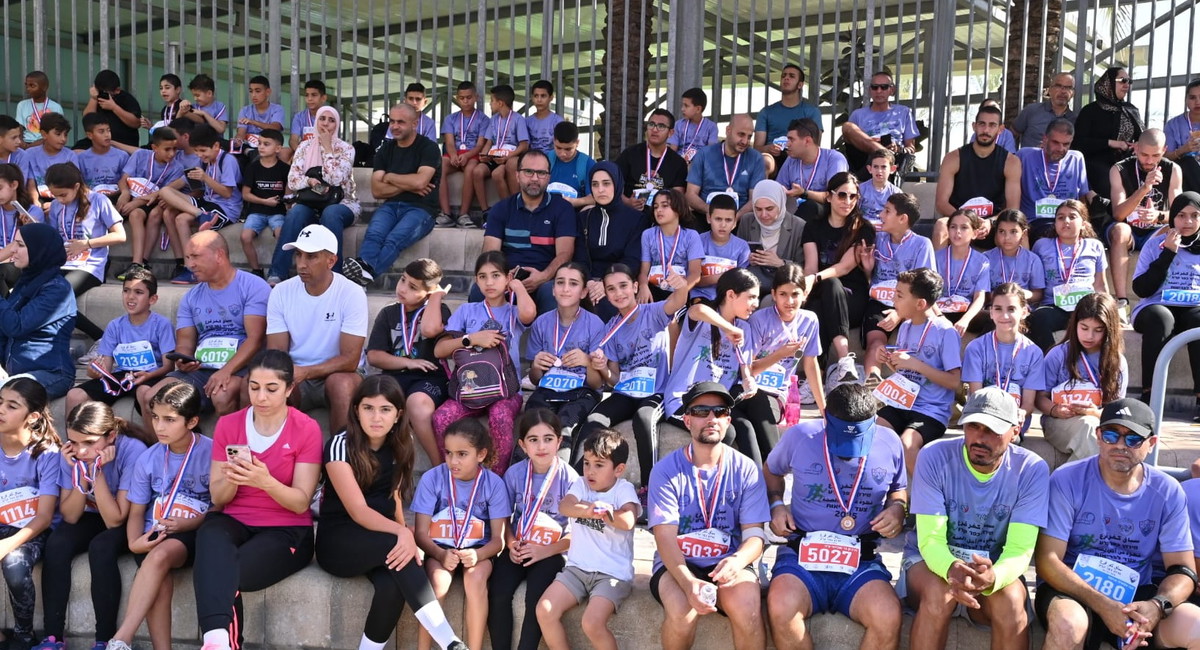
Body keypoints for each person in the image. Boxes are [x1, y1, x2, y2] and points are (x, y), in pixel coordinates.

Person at [1035, 398, 1200, 650]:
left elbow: (1183, 570)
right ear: (1098, 436)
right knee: (1069, 624)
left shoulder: (1167, 490)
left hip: (1139, 594)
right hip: (1072, 589)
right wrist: (1104, 605)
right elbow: (1048, 560)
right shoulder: (1067, 479)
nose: (1120, 445)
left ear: (1151, 444)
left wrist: (1157, 606)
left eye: (1133, 439)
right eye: (1111, 435)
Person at [317, 375, 468, 650]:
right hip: (339, 542)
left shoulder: (401, 442)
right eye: (368, 408)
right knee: (399, 547)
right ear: (356, 411)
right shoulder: (339, 445)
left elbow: (395, 496)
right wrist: (402, 533)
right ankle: (451, 642)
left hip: (380, 537)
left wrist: (402, 529)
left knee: (392, 585)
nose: (377, 417)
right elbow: (358, 511)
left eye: (385, 409)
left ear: (398, 414)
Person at [193, 350, 323, 650]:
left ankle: (217, 642)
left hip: (287, 528)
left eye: (271, 389)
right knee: (210, 533)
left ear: (289, 389)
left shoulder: (306, 428)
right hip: (235, 518)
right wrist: (233, 477)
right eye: (254, 387)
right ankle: (218, 642)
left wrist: (264, 481)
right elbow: (218, 498)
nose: (261, 397)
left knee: (224, 571)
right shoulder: (229, 425)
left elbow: (300, 502)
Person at [904, 386, 1049, 650]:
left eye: (992, 430)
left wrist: (995, 576)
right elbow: (930, 540)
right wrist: (952, 568)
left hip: (993, 565)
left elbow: (1020, 549)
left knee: (1011, 603)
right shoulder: (933, 456)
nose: (979, 438)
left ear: (1016, 430)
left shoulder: (1031, 469)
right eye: (973, 426)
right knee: (939, 594)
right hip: (929, 562)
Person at [764, 383, 907, 650]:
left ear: (874, 420)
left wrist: (898, 509)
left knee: (888, 616)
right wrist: (776, 504)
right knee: (781, 607)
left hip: (861, 559)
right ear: (825, 415)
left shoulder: (890, 441)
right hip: (801, 555)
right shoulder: (800, 436)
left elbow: (898, 490)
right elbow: (772, 470)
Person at [650, 381, 771, 650]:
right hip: (680, 562)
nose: (711, 418)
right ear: (687, 420)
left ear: (728, 420)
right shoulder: (665, 470)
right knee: (682, 613)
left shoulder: (746, 468)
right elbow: (664, 538)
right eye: (701, 411)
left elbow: (755, 536)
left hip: (730, 560)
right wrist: (687, 582)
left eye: (720, 411)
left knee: (749, 613)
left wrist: (738, 560)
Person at [103, 382, 212, 650]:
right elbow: (137, 511)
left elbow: (221, 506)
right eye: (155, 417)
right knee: (159, 577)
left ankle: (122, 637)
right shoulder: (148, 458)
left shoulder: (212, 452)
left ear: (192, 421)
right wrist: (134, 543)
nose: (159, 427)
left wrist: (190, 523)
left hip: (192, 532)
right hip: (153, 533)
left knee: (160, 556)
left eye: (169, 420)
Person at [37, 402, 149, 650]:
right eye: (74, 442)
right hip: (91, 514)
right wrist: (80, 471)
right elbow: (70, 516)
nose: (81, 450)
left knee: (102, 547)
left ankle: (104, 639)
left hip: (126, 517)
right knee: (57, 543)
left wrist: (96, 473)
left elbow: (115, 519)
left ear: (111, 436)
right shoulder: (71, 454)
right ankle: (52, 637)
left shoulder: (133, 450)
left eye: (89, 442)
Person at [578, 263, 687, 489]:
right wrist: (602, 367)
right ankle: (577, 482)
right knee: (593, 421)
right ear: (606, 294)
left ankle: (650, 487)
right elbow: (613, 379)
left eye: (623, 286)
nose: (618, 293)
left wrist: (681, 287)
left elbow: (677, 301)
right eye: (611, 289)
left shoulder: (653, 312)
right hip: (626, 392)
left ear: (635, 287)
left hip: (655, 391)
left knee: (644, 418)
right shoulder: (611, 328)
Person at [140, 231, 270, 416]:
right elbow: (185, 343)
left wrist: (226, 370)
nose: (190, 265)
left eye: (195, 256)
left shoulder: (253, 286)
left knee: (221, 395)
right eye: (187, 258)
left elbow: (255, 339)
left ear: (219, 255)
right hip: (202, 369)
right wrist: (184, 360)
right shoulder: (191, 297)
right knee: (151, 397)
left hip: (241, 367)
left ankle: (230, 435)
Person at [535, 428, 639, 650]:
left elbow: (628, 520)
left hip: (612, 574)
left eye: (599, 465)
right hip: (576, 570)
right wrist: (590, 510)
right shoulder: (581, 484)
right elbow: (565, 506)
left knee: (591, 623)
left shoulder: (624, 489)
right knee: (544, 610)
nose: (590, 471)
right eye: (586, 463)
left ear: (619, 469)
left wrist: (607, 513)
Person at [432, 251, 535, 473]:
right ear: (476, 280)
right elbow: (440, 349)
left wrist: (517, 287)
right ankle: (455, 473)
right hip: (469, 390)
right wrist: (471, 339)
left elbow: (529, 314)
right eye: (482, 276)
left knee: (500, 416)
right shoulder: (467, 311)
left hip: (505, 391)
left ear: (507, 277)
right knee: (441, 417)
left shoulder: (513, 311)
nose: (489, 282)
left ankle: (495, 479)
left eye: (496, 275)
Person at [412, 417, 510, 650]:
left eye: (462, 454)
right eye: (448, 453)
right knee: (438, 583)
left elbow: (498, 541)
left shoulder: (494, 484)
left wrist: (478, 555)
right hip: (440, 550)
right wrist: (439, 553)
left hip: (479, 552)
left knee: (475, 580)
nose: (453, 461)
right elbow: (421, 534)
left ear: (481, 454)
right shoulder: (432, 478)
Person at [488, 409, 579, 650]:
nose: (541, 446)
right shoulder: (514, 474)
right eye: (533, 439)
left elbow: (577, 534)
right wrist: (510, 543)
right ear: (522, 445)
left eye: (548, 439)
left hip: (552, 552)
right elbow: (503, 519)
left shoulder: (570, 478)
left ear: (559, 442)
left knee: (535, 597)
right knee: (497, 592)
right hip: (518, 547)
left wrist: (543, 551)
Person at [266, 224, 368, 434]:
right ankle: (280, 450)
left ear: (331, 261)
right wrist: (289, 374)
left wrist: (306, 372)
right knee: (265, 381)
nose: (302, 264)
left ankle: (339, 451)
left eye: (311, 256)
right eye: (298, 255)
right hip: (296, 372)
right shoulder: (281, 292)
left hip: (340, 373)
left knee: (341, 384)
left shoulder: (352, 293)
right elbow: (277, 353)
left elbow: (350, 360)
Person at [660, 269, 766, 462]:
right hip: (683, 402)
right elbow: (697, 310)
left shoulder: (745, 328)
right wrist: (728, 328)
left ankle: (759, 480)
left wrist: (749, 380)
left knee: (746, 427)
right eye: (751, 297)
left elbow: (745, 369)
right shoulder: (703, 317)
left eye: (757, 298)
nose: (756, 304)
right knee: (728, 432)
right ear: (731, 295)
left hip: (717, 404)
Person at [874, 268, 962, 476]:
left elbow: (954, 382)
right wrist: (888, 360)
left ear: (920, 304)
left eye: (899, 296)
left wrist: (916, 364)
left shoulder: (945, 331)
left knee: (907, 444)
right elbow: (905, 370)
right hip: (903, 403)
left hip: (931, 410)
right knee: (873, 435)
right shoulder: (905, 326)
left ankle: (928, 493)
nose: (893, 300)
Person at [342, 103, 439, 288]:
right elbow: (377, 190)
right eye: (392, 121)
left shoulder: (429, 148)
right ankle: (362, 278)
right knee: (373, 235)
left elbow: (420, 182)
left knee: (394, 239)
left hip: (422, 209)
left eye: (401, 122)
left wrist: (390, 177)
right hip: (391, 205)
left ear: (414, 123)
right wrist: (409, 184)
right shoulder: (385, 150)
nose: (394, 126)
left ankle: (361, 279)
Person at [365, 258, 451, 466]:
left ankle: (439, 467)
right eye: (402, 280)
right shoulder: (389, 313)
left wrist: (436, 297)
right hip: (394, 377)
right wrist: (408, 363)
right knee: (374, 402)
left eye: (413, 287)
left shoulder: (439, 309)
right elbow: (374, 355)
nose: (403, 288)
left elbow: (430, 329)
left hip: (429, 378)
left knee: (417, 404)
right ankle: (370, 464)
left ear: (429, 292)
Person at [0, 377, 61, 650]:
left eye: (12, 406)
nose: (1, 409)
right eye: (0, 401)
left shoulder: (47, 454)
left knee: (14, 564)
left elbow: (45, 517)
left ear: (33, 416)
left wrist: (6, 545)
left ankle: (24, 637)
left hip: (35, 530)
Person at [65, 267, 175, 414]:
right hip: (122, 376)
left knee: (144, 393)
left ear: (152, 299)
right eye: (126, 291)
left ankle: (151, 431)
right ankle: (74, 430)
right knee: (75, 395)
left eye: (138, 292)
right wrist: (95, 371)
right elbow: (106, 367)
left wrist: (148, 375)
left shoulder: (162, 324)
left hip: (151, 376)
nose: (130, 297)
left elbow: (169, 366)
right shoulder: (115, 325)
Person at [478, 150, 576, 314]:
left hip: (546, 279)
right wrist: (503, 278)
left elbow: (565, 253)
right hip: (507, 278)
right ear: (517, 175)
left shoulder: (563, 209)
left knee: (551, 292)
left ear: (549, 178)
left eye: (541, 173)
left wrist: (543, 277)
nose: (535, 178)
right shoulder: (501, 209)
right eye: (528, 172)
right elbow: (490, 253)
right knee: (478, 290)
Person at [269, 106, 359, 284]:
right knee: (296, 213)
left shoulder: (346, 149)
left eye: (331, 120)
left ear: (337, 124)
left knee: (331, 213)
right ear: (316, 121)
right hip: (311, 202)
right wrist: (309, 181)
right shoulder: (304, 147)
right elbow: (293, 180)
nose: (326, 123)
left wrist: (327, 148)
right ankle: (277, 274)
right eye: (322, 119)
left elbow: (335, 179)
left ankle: (335, 276)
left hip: (342, 203)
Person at [1036, 292, 1126, 464]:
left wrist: (1095, 413)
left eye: (1098, 330)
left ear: (1110, 330)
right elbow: (1039, 398)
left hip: (1100, 422)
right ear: (1074, 324)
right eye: (1084, 328)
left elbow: (1117, 410)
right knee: (1088, 428)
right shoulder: (1058, 354)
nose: (1089, 336)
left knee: (1091, 428)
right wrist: (1055, 410)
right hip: (1058, 421)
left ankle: (1067, 479)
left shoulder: (1117, 361)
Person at [1131, 192, 1200, 413]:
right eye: (1181, 215)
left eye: (1195, 215)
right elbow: (1142, 289)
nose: (1188, 222)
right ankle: (1149, 395)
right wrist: (1168, 253)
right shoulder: (1155, 244)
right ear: (1173, 217)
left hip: (1193, 308)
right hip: (1155, 306)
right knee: (1161, 319)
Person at [43, 162, 126, 342]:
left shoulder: (99, 200)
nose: (60, 200)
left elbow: (120, 236)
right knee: (40, 294)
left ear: (76, 186)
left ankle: (101, 339)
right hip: (63, 262)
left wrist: (85, 244)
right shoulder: (56, 206)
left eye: (63, 195)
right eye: (55, 196)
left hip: (90, 265)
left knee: (57, 297)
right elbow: (54, 238)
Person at [525, 263, 606, 444]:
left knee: (565, 426)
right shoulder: (541, 323)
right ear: (553, 289)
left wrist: (588, 362)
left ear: (583, 292)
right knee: (533, 424)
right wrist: (536, 366)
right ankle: (525, 462)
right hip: (547, 389)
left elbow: (597, 384)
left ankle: (561, 462)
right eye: (560, 282)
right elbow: (535, 379)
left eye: (573, 283)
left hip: (582, 392)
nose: (565, 289)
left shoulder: (595, 325)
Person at [861, 194, 936, 385]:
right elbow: (870, 280)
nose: (881, 215)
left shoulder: (922, 244)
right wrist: (868, 269)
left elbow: (923, 286)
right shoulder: (877, 238)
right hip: (880, 303)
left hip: (911, 305)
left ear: (903, 218)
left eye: (887, 211)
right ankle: (871, 382)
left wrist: (900, 313)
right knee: (876, 342)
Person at [802, 173, 874, 369]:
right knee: (817, 308)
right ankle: (827, 371)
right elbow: (810, 266)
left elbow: (845, 267)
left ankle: (839, 361)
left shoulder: (863, 229)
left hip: (853, 296)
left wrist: (814, 278)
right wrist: (808, 284)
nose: (848, 201)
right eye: (842, 195)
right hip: (821, 291)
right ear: (829, 196)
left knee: (830, 285)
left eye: (853, 196)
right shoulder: (813, 226)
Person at [746, 263, 824, 442]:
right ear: (773, 294)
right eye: (783, 294)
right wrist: (780, 354)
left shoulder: (810, 320)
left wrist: (823, 409)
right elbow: (749, 369)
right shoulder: (759, 320)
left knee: (765, 413)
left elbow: (811, 365)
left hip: (777, 392)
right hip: (752, 386)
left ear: (805, 294)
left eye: (795, 294)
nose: (789, 301)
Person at [1108, 128, 1182, 317]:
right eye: (1144, 155)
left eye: (1155, 155)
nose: (1149, 160)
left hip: (1155, 231)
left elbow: (1178, 215)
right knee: (1119, 230)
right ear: (1136, 148)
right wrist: (1145, 188)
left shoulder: (1173, 169)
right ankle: (1122, 300)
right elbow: (1118, 214)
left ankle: (1166, 296)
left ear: (1164, 150)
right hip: (1130, 230)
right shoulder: (1119, 169)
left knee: (1176, 231)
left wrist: (1157, 216)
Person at [157, 124, 243, 284]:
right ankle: (201, 216)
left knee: (181, 219)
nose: (199, 155)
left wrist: (205, 178)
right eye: (196, 151)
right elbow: (182, 181)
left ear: (216, 146)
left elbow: (227, 193)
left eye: (203, 150)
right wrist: (155, 195)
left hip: (226, 208)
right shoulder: (203, 161)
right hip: (207, 204)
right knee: (165, 193)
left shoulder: (227, 160)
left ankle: (190, 269)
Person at [0, 223, 77, 398]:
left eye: (20, 245)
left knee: (8, 393)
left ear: (38, 250)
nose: (13, 250)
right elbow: (3, 329)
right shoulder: (27, 281)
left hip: (51, 373)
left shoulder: (57, 289)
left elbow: (16, 326)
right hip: (17, 373)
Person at [933, 104, 1022, 248]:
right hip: (960, 221)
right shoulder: (953, 158)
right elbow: (941, 203)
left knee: (1020, 232)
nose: (986, 130)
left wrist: (990, 222)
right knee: (941, 226)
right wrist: (966, 220)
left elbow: (1013, 207)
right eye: (982, 124)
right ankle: (938, 265)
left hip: (993, 223)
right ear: (974, 126)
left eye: (992, 125)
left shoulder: (1011, 162)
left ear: (1001, 129)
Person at [962, 282, 1044, 431]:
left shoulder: (1034, 352)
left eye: (1011, 309)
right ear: (991, 312)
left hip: (1013, 422)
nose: (1004, 316)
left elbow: (1028, 404)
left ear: (1024, 312)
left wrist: (1021, 413)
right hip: (982, 417)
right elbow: (975, 396)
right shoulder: (976, 348)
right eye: (998, 309)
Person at [1028, 200, 1108, 351]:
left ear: (1084, 223)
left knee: (1103, 320)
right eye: (1060, 217)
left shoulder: (1095, 245)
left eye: (1072, 217)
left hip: (1085, 306)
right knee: (1037, 319)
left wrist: (1109, 309)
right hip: (1053, 305)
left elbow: (1100, 285)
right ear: (1055, 223)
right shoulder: (1042, 245)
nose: (1066, 221)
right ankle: (1051, 359)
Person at [113, 126, 186, 280]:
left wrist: (137, 202)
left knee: (139, 214)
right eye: (167, 149)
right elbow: (123, 179)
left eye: (174, 149)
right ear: (154, 147)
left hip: (154, 201)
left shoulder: (177, 167)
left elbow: (161, 194)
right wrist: (125, 193)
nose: (172, 154)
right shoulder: (140, 155)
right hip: (131, 195)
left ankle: (138, 263)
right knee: (113, 213)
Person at [573, 162, 643, 320]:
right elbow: (580, 257)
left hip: (619, 281)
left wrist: (606, 284)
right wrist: (589, 282)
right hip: (588, 281)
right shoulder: (584, 218)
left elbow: (632, 259)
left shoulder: (636, 219)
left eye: (606, 183)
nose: (600, 190)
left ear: (617, 184)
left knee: (605, 305)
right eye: (595, 184)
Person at [1016, 118, 1092, 243]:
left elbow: (1082, 199)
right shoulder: (1024, 156)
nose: (1060, 149)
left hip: (1067, 221)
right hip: (1035, 221)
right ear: (1045, 139)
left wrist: (1085, 223)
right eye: (1055, 142)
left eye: (1066, 144)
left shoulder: (1076, 158)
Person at [1073, 67, 1144, 199]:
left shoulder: (1130, 110)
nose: (1127, 85)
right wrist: (1112, 143)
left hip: (1126, 160)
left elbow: (1143, 136)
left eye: (1129, 81)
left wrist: (1138, 144)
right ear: (1108, 83)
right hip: (1097, 163)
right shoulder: (1090, 111)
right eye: (1122, 80)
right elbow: (1079, 142)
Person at [841, 71, 919, 177]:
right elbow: (850, 140)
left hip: (895, 156)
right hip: (866, 157)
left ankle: (886, 156)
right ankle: (885, 155)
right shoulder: (858, 114)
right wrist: (871, 142)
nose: (879, 91)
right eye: (875, 87)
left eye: (884, 87)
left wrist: (898, 148)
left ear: (892, 90)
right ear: (870, 90)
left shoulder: (904, 112)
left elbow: (911, 149)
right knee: (847, 126)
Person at [735, 179, 806, 296]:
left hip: (784, 285)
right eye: (758, 209)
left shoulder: (799, 226)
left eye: (769, 209)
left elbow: (803, 268)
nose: (763, 215)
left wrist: (781, 263)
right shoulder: (747, 220)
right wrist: (747, 259)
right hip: (751, 283)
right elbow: (736, 256)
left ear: (780, 204)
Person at [614, 109, 689, 220]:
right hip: (630, 215)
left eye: (661, 126)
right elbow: (613, 184)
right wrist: (628, 202)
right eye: (651, 124)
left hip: (662, 219)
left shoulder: (678, 163)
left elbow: (678, 198)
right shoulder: (630, 154)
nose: (654, 129)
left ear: (670, 133)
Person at [686, 114, 766, 214]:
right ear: (728, 130)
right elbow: (690, 195)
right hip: (706, 215)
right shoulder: (704, 154)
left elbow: (754, 199)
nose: (745, 141)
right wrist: (711, 212)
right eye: (741, 134)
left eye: (749, 137)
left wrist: (735, 217)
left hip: (741, 217)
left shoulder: (756, 158)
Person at [754, 64, 823, 176]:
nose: (786, 78)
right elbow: (757, 148)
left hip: (800, 159)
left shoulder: (812, 112)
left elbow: (815, 145)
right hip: (774, 160)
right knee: (765, 161)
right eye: (783, 76)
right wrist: (769, 148)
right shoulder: (766, 112)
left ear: (800, 85)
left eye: (791, 76)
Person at [436, 81, 489, 225]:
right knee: (439, 165)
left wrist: (467, 155)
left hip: (472, 155)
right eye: (462, 98)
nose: (465, 101)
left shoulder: (484, 119)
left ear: (476, 97)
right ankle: (446, 213)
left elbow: (480, 145)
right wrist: (453, 155)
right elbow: (449, 142)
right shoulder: (450, 119)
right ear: (457, 98)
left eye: (469, 97)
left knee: (471, 169)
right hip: (454, 154)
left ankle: (463, 214)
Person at [239, 128, 288, 279]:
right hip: (256, 211)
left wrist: (285, 203)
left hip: (278, 212)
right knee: (245, 237)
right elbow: (245, 194)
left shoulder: (285, 169)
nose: (261, 147)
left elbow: (288, 194)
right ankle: (256, 270)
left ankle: (279, 270)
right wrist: (264, 201)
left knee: (281, 234)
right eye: (259, 143)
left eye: (266, 144)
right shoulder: (252, 167)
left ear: (278, 148)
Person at [776, 118, 849, 219]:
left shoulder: (834, 159)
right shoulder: (791, 160)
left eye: (791, 139)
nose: (787, 144)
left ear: (807, 141)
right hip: (796, 212)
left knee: (810, 206)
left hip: (827, 216)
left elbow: (836, 197)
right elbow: (779, 187)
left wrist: (804, 193)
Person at [638, 188, 702, 303]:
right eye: (656, 207)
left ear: (678, 209)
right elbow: (644, 271)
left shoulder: (691, 236)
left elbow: (695, 274)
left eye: (664, 206)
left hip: (680, 291)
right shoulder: (648, 234)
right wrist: (643, 286)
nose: (659, 210)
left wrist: (678, 294)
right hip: (653, 290)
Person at [472, 84, 529, 212]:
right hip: (494, 156)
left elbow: (524, 145)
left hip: (509, 157)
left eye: (492, 100)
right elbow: (489, 142)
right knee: (477, 171)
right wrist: (484, 156)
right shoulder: (493, 120)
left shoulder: (518, 119)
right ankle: (485, 211)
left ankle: (512, 209)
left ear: (500, 103)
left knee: (497, 174)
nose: (490, 103)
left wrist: (507, 157)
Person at [936, 209, 992, 334]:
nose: (957, 231)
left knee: (993, 319)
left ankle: (978, 346)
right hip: (939, 310)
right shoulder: (935, 257)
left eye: (964, 227)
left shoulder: (982, 262)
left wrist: (965, 320)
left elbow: (979, 297)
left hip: (965, 310)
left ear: (975, 233)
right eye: (953, 227)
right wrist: (939, 317)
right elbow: (927, 294)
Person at [692, 194, 751, 302]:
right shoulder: (698, 241)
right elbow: (691, 279)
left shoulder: (742, 247)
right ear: (709, 218)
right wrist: (719, 277)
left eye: (728, 220)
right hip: (701, 297)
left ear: (735, 222)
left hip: (730, 299)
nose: (723, 225)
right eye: (718, 219)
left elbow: (743, 282)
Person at [984, 210, 1045, 305]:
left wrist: (1022, 295)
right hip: (994, 308)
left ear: (1023, 234)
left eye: (1013, 232)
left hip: (1022, 307)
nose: (1007, 237)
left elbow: (1038, 294)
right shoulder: (986, 258)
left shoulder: (1032, 260)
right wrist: (1002, 296)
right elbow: (982, 293)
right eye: (1001, 231)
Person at [18, 112, 77, 210]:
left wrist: (55, 204)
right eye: (58, 134)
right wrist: (35, 201)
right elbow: (31, 182)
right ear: (44, 134)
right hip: (39, 198)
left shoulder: (70, 156)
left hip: (64, 199)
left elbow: (73, 185)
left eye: (65, 135)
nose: (63, 139)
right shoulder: (30, 154)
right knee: (35, 212)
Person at [0, 163, 43, 297]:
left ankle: (7, 309)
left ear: (14, 185)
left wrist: (29, 229)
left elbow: (33, 247)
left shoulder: (32, 212)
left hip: (21, 263)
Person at [1012, 72, 1077, 147]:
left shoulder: (1075, 120)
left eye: (1068, 88)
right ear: (1050, 90)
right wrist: (1013, 153)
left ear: (1073, 93)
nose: (1063, 91)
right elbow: (1012, 134)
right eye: (1058, 86)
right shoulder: (1031, 111)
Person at [83, 70, 143, 149]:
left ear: (117, 90)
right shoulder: (96, 98)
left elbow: (136, 123)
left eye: (106, 93)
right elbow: (87, 121)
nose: (103, 95)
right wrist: (94, 98)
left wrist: (114, 107)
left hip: (123, 145)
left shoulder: (126, 99)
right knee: (78, 150)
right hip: (98, 143)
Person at [77, 114, 131, 200]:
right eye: (101, 131)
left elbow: (127, 181)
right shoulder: (81, 158)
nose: (107, 135)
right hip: (92, 199)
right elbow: (82, 185)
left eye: (108, 130)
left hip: (117, 198)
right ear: (90, 135)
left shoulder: (122, 156)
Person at [546, 121, 595, 209]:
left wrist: (575, 202)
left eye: (568, 149)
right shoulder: (546, 159)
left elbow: (595, 198)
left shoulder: (587, 164)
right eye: (558, 148)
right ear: (553, 141)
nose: (562, 153)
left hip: (576, 212)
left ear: (577, 143)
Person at [1164, 79, 1200, 193]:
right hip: (1184, 173)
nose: (1198, 101)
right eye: (1192, 97)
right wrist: (1183, 149)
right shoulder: (1173, 124)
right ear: (1186, 100)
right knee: (1187, 162)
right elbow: (1165, 158)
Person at [233, 75, 285, 153]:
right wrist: (238, 140)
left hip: (268, 150)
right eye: (251, 91)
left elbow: (275, 128)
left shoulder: (277, 109)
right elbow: (241, 132)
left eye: (257, 91)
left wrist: (253, 122)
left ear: (268, 92)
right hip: (248, 148)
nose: (253, 95)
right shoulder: (245, 110)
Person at [667, 87, 719, 163]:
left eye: (686, 106)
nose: (682, 109)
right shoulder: (678, 125)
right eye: (682, 105)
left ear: (698, 109)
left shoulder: (711, 127)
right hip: (679, 162)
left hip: (700, 163)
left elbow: (711, 151)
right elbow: (673, 148)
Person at [15, 71, 64, 148]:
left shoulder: (56, 107)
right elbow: (19, 127)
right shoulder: (22, 105)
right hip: (25, 142)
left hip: (46, 143)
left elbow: (58, 132)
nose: (28, 89)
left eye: (32, 86)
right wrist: (21, 142)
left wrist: (34, 145)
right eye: (26, 85)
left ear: (44, 87)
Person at [859, 149, 901, 228]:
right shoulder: (861, 189)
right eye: (875, 167)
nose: (879, 171)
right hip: (864, 229)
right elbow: (854, 215)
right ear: (869, 169)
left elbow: (898, 219)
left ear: (892, 169)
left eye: (883, 167)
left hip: (886, 231)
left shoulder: (896, 193)